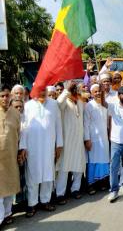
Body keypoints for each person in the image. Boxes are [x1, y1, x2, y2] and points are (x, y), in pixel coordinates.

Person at [20, 88, 63, 217]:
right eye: (39, 90)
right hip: (32, 147)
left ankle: (45, 201)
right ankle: (32, 204)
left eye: (44, 90)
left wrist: (59, 145)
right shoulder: (27, 106)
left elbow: (58, 125)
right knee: (32, 174)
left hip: (49, 146)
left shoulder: (54, 104)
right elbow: (23, 127)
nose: (42, 93)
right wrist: (23, 146)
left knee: (48, 174)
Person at [55, 82, 86, 204]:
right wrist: (67, 90)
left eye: (75, 89)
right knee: (64, 167)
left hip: (78, 140)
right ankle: (60, 194)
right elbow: (58, 103)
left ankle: (75, 189)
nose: (75, 91)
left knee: (79, 166)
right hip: (67, 141)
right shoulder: (64, 102)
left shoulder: (79, 101)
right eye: (73, 89)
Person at [0, 86, 21, 227]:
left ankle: (7, 214)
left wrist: (20, 151)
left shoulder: (16, 113)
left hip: (11, 155)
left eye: (7, 95)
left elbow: (20, 133)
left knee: (9, 188)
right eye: (2, 96)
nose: (5, 99)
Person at [84, 84, 110, 195]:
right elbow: (86, 124)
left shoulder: (105, 105)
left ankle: (102, 182)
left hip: (104, 138)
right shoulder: (89, 106)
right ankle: (91, 184)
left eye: (99, 91)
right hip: (93, 139)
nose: (98, 93)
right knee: (93, 161)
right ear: (92, 93)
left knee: (104, 160)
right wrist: (87, 139)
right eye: (95, 92)